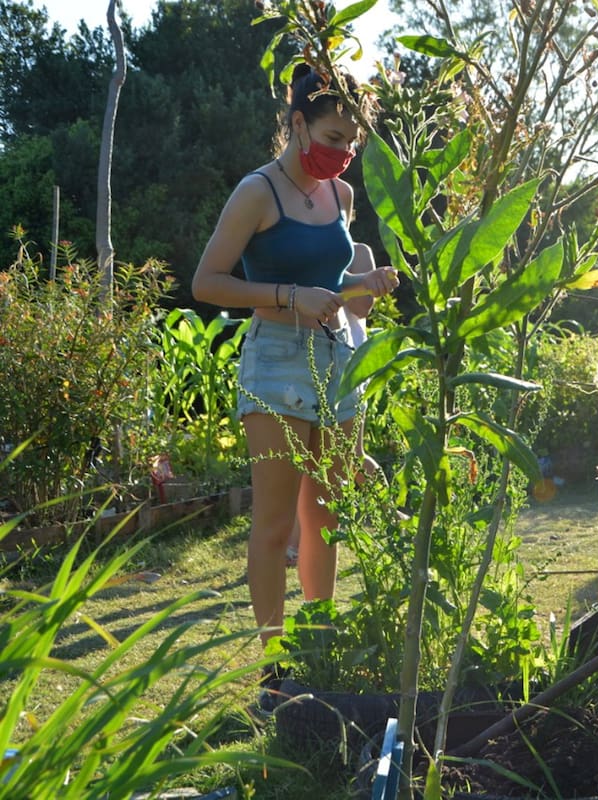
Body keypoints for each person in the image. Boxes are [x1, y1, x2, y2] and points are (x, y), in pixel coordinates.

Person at [191, 64, 399, 659]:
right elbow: (207, 283)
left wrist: (366, 282)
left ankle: (320, 647)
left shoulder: (341, 195)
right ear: (298, 124)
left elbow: (330, 282)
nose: (345, 153)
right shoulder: (257, 191)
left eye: (353, 141)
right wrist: (287, 297)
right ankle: (274, 664)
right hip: (276, 362)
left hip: (336, 359)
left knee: (324, 518)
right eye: (335, 138)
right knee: (275, 524)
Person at [285, 241, 383, 567]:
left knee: (353, 455)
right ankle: (295, 543)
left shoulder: (359, 250)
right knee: (303, 457)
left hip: (350, 362)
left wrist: (342, 277)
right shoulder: (302, 243)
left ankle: (390, 512)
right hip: (308, 360)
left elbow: (365, 307)